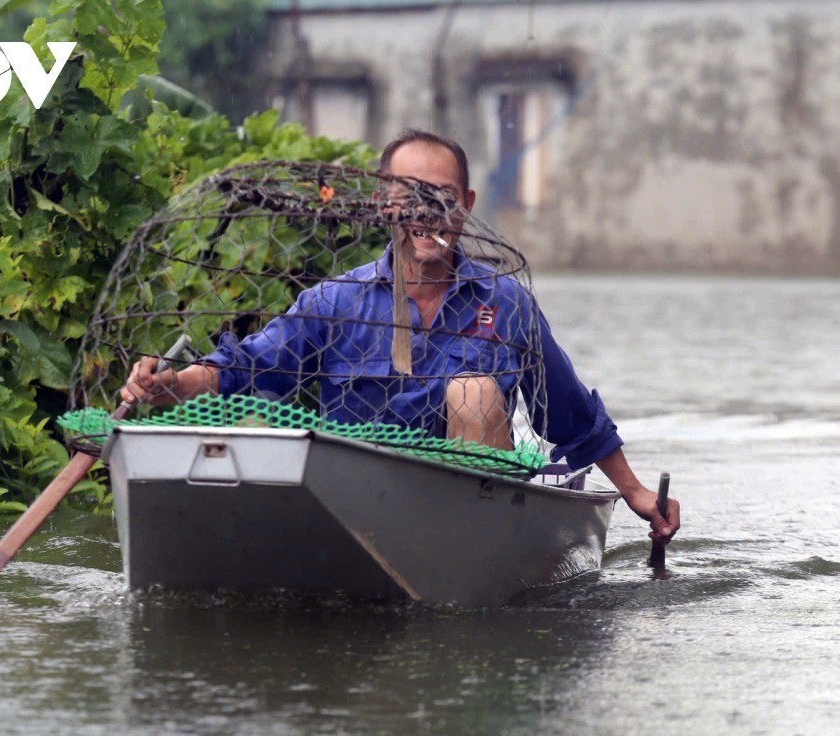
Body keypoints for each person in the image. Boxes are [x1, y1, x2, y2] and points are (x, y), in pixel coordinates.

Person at [122, 129, 680, 546]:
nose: (425, 211)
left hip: (467, 520)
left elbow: (570, 413)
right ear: (384, 202)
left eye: (441, 194)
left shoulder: (506, 305)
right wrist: (169, 384)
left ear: (467, 204)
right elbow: (247, 367)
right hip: (360, 510)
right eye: (408, 194)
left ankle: (467, 576)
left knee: (474, 393)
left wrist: (633, 491)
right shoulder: (336, 301)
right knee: (259, 429)